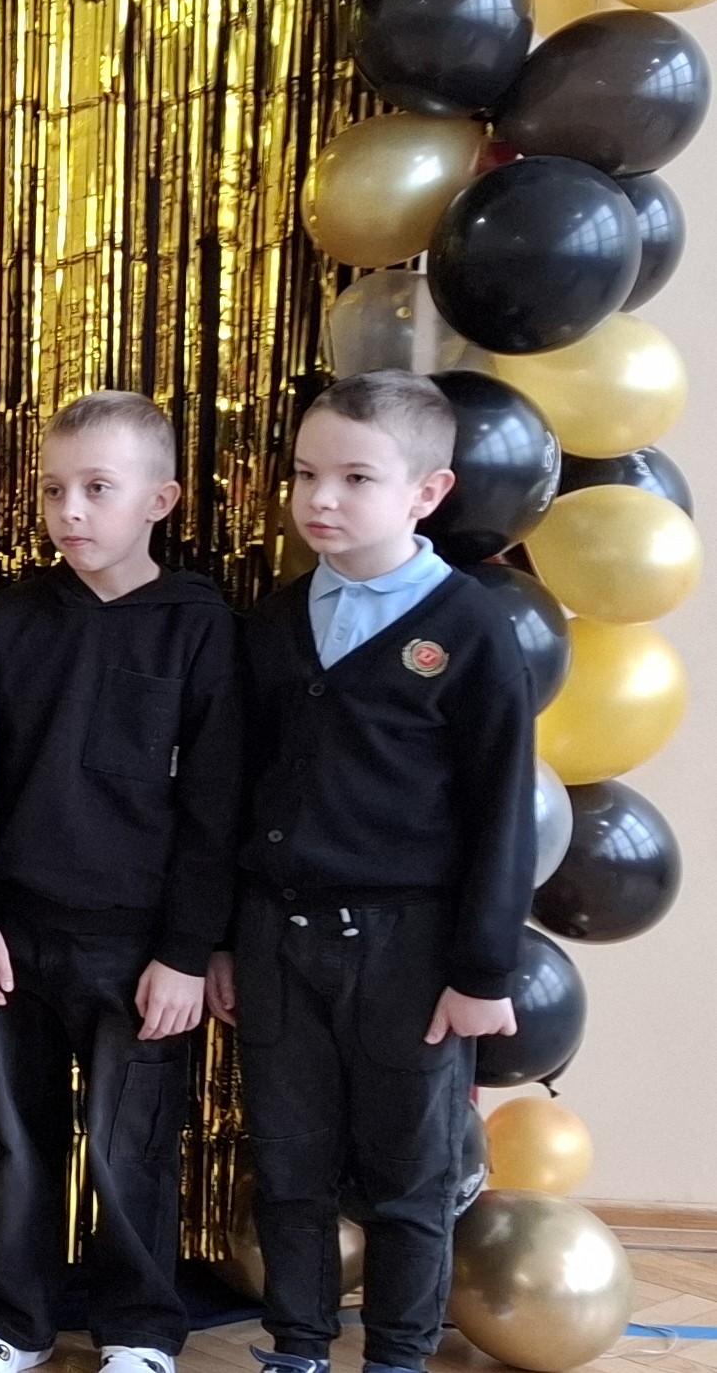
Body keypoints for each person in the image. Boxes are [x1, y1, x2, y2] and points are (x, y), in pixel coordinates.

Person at [211, 371, 535, 1373]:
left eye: (356, 477)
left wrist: (481, 970)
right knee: (290, 1162)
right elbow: (232, 793)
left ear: (426, 493)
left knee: (410, 1170)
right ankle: (299, 1343)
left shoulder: (468, 628)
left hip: (409, 950)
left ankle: (395, 1353)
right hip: (278, 940)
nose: (321, 498)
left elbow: (502, 811)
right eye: (306, 473)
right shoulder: (273, 621)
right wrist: (221, 938)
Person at [0, 392, 241, 1373]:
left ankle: (139, 1329)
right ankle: (11, 1321)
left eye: (97, 489)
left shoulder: (199, 625)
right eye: (52, 489)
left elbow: (216, 807)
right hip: (14, 938)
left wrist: (186, 952)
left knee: (130, 1148)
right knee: (15, 1143)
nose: (68, 510)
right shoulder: (11, 617)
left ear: (161, 499)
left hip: (139, 944)